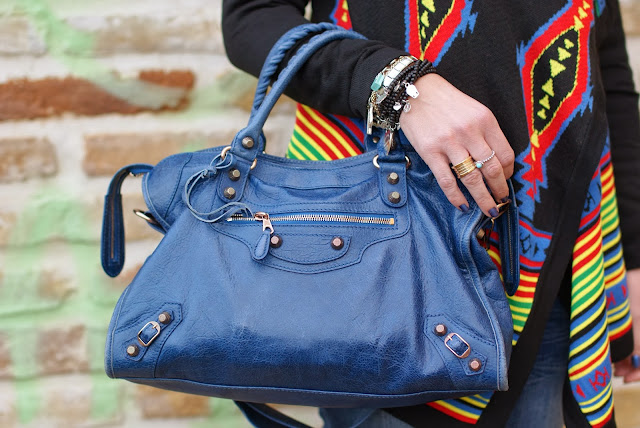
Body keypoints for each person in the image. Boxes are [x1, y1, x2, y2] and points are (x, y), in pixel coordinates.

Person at [222, 0, 640, 426]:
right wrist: (398, 86)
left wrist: (635, 262)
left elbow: (606, 65)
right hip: (377, 259)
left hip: (550, 263)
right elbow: (253, 17)